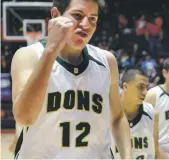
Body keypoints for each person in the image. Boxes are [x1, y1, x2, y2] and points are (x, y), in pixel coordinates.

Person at [11, 0, 132, 159]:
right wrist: (51, 50)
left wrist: (127, 157)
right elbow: (24, 117)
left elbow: (117, 117)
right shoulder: (29, 56)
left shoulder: (107, 61)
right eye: (77, 15)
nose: (86, 24)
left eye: (92, 18)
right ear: (55, 15)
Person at [111, 67, 168, 159]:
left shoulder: (152, 113)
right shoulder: (108, 112)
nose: (145, 92)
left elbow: (155, 150)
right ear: (125, 86)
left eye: (147, 87)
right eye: (140, 87)